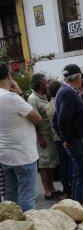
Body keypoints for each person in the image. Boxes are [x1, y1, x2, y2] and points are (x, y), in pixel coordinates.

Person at [54, 64, 83, 204]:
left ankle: (77, 208)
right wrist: (68, 140)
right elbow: (62, 120)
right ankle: (82, 210)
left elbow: (57, 120)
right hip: (82, 141)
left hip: (80, 140)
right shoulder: (68, 92)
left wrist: (66, 139)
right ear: (78, 77)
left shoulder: (64, 91)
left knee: (79, 175)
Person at [0, 62, 41, 210]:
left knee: (11, 195)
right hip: (23, 154)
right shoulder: (12, 97)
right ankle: (28, 229)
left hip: (5, 154)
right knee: (27, 196)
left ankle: (12, 226)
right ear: (9, 76)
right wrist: (18, 91)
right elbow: (36, 118)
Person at [28, 74, 61, 200]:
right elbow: (32, 120)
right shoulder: (33, 99)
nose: (47, 84)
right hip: (43, 136)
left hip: (49, 134)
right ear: (40, 84)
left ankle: (52, 188)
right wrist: (39, 137)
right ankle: (47, 190)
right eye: (46, 82)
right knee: (44, 164)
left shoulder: (42, 97)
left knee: (50, 163)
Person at [47, 80, 71, 198]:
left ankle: (66, 188)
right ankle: (69, 187)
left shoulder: (48, 105)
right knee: (70, 163)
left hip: (55, 137)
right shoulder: (59, 102)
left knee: (62, 163)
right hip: (63, 136)